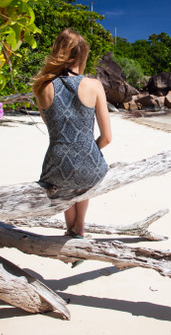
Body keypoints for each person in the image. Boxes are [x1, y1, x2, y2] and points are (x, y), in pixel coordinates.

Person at [33, 29, 112, 238]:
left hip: (57, 165)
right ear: (82, 55)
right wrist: (87, 150)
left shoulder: (41, 88)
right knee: (83, 172)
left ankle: (71, 229)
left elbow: (55, 131)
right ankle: (80, 226)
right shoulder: (94, 85)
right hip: (88, 167)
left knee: (65, 177)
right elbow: (107, 138)